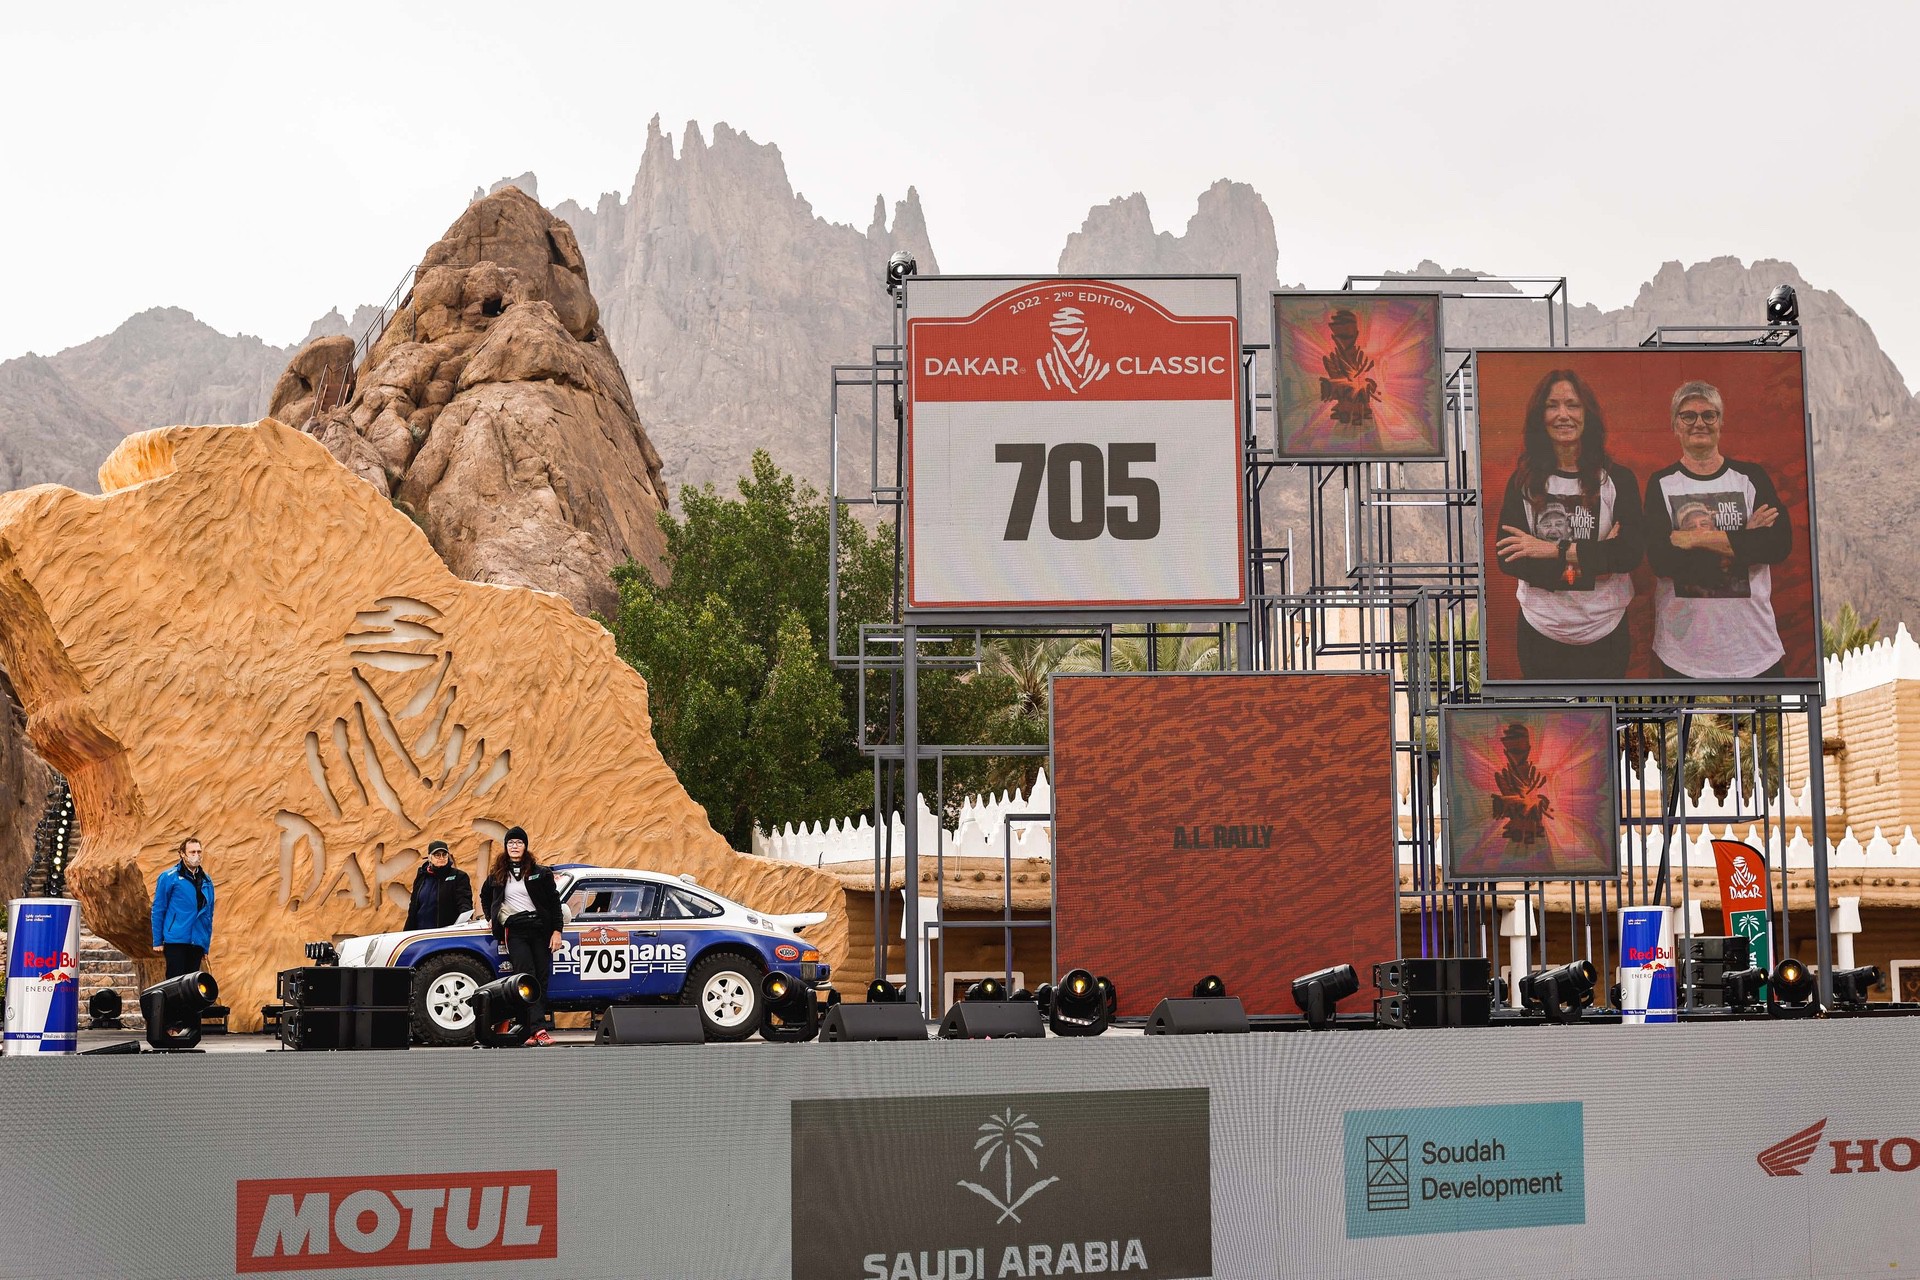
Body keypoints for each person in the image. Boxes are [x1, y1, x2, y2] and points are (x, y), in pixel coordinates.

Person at [1493, 368, 1645, 680]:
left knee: (1607, 726)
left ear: (1587, 414)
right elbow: (1509, 559)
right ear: (1540, 415)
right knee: (1547, 729)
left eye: (1573, 405)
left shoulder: (1618, 479)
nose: (1563, 414)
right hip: (1541, 630)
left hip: (1607, 630)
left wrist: (1549, 550)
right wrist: (1597, 557)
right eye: (1552, 405)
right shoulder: (1522, 482)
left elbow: (1629, 555)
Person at [1643, 380, 1792, 679]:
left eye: (1709, 415)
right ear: (1675, 426)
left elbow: (1778, 544)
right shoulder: (1661, 483)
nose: (1699, 422)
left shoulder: (1751, 478)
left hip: (1755, 651)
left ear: (1721, 423)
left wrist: (1689, 538)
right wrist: (1742, 540)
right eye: (1688, 416)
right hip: (1683, 655)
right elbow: (1661, 560)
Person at [479, 826, 564, 1046]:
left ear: (525, 846)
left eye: (519, 843)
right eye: (511, 843)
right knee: (525, 978)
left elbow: (554, 903)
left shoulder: (540, 872)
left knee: (541, 978)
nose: (515, 846)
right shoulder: (497, 874)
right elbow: (485, 895)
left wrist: (557, 931)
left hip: (540, 930)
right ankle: (533, 1030)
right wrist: (491, 916)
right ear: (506, 847)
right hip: (515, 931)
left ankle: (535, 1028)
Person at [150, 836, 215, 979]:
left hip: (196, 940)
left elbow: (208, 914)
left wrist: (205, 944)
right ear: (182, 854)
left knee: (192, 985)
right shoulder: (169, 877)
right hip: (176, 939)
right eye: (192, 852)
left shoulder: (207, 880)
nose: (196, 856)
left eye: (199, 852)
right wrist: (157, 940)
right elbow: (158, 909)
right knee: (175, 982)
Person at [404, 840, 474, 931]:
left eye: (444, 854)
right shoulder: (422, 877)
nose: (441, 858)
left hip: (444, 934)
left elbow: (464, 901)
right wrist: (407, 931)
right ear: (430, 857)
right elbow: (413, 907)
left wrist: (464, 919)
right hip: (420, 935)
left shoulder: (458, 876)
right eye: (437, 855)